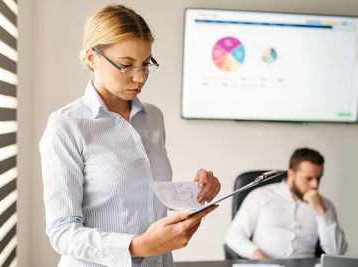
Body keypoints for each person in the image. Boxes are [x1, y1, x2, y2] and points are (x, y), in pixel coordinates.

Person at [39, 5, 221, 267]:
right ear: (92, 58)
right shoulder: (67, 125)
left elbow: (145, 202)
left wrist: (195, 193)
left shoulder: (153, 118)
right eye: (126, 65)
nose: (140, 77)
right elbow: (62, 232)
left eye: (146, 64)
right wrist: (140, 246)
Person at [225, 148, 347, 259]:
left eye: (318, 178)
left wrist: (322, 212)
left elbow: (337, 252)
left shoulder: (324, 205)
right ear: (291, 174)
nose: (315, 185)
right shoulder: (260, 196)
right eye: (308, 179)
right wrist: (257, 255)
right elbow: (234, 236)